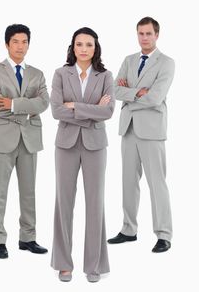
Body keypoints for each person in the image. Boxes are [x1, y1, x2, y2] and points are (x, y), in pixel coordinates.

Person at [50, 27, 115, 282]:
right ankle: (64, 263)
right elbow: (56, 111)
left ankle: (94, 265)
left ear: (95, 47)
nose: (84, 48)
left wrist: (75, 106)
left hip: (96, 146)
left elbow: (108, 112)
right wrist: (91, 111)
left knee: (95, 203)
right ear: (73, 47)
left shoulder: (106, 75)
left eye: (89, 44)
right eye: (79, 44)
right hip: (65, 144)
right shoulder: (60, 74)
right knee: (63, 204)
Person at [108, 17, 175, 253]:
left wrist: (130, 95)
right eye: (140, 33)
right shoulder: (129, 60)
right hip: (128, 128)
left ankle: (164, 234)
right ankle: (128, 229)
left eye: (148, 33)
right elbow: (115, 90)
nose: (144, 37)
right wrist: (138, 92)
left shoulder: (166, 63)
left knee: (157, 183)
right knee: (128, 181)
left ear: (157, 35)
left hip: (152, 130)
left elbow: (156, 97)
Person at [0, 24, 49, 258]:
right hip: (3, 138)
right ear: (7, 44)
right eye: (16, 42)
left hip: (30, 138)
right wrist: (28, 108)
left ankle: (28, 238)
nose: (20, 46)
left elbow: (44, 103)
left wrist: (12, 103)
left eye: (24, 42)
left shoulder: (37, 74)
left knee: (29, 191)